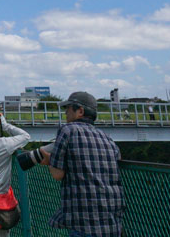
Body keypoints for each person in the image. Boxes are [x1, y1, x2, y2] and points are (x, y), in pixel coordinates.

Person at [38, 91, 123, 237]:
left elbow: (57, 174)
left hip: (84, 222)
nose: (65, 112)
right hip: (112, 224)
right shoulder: (107, 138)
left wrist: (49, 161)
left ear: (80, 111)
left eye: (68, 108)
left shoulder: (68, 130)